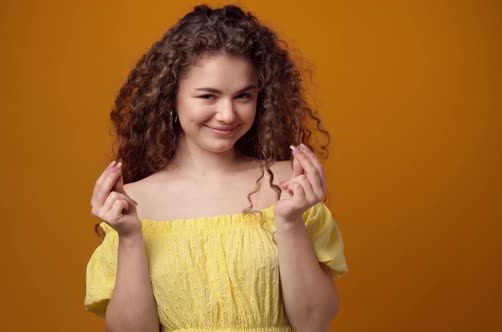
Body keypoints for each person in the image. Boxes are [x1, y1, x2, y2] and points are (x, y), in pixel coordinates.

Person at [85, 4, 348, 332]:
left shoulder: (290, 184)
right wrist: (130, 237)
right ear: (171, 98)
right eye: (208, 96)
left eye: (243, 96)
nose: (227, 114)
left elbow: (314, 322)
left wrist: (290, 222)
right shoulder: (134, 203)